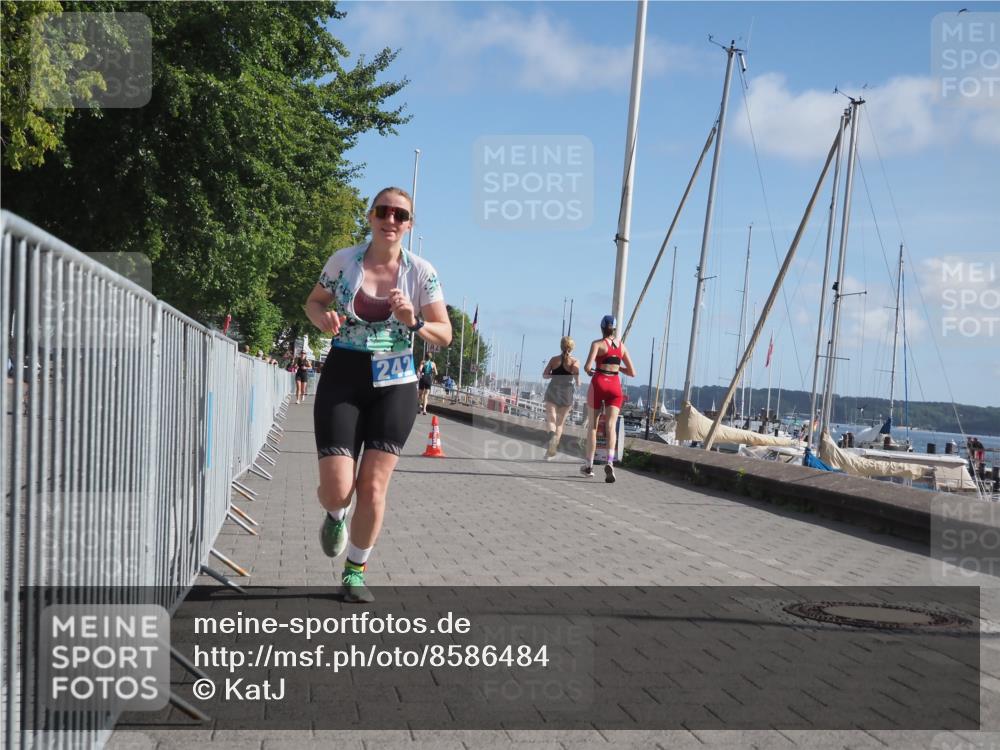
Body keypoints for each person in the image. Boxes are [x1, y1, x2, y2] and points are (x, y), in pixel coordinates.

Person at [305, 186, 451, 603]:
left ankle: (355, 571)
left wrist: (414, 321)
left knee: (372, 487)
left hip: (395, 378)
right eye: (384, 211)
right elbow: (313, 303)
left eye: (401, 215)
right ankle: (335, 515)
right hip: (344, 371)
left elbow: (445, 334)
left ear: (409, 225)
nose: (391, 220)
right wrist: (323, 318)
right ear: (370, 216)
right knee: (338, 489)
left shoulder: (422, 272)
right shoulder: (344, 261)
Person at [580, 315, 635, 482]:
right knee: (611, 426)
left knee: (593, 427)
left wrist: (591, 370)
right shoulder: (622, 347)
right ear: (615, 328)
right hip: (615, 386)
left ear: (602, 327)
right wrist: (617, 367)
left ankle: (589, 465)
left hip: (599, 384)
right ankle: (610, 461)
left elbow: (588, 367)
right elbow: (633, 372)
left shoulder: (597, 344)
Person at [541, 336, 580, 460]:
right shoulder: (575, 362)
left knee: (551, 420)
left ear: (561, 346)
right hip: (567, 393)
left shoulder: (553, 360)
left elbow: (545, 375)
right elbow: (577, 381)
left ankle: (551, 442)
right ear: (572, 348)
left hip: (553, 390)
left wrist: (554, 374)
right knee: (560, 424)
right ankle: (552, 450)